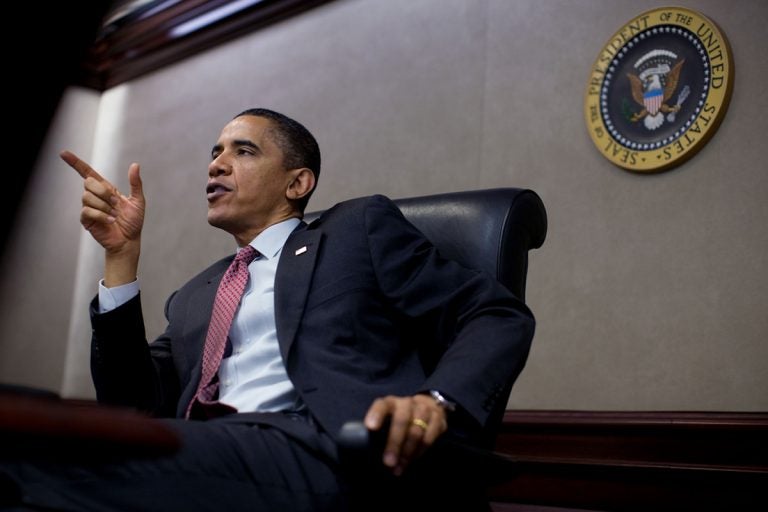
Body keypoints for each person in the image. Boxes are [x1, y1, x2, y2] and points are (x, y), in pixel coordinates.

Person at [1, 108, 534, 511]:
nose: (217, 163)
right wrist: (121, 256)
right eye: (214, 152)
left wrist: (436, 401)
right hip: (207, 449)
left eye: (243, 151)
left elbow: (493, 313)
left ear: (297, 183)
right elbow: (129, 403)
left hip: (326, 450)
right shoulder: (195, 294)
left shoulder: (357, 231)